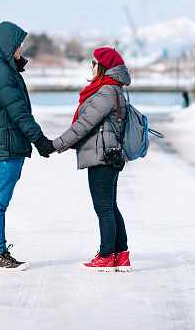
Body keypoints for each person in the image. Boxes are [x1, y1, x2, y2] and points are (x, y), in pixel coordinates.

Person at [0, 21, 55, 271]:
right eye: (19, 44)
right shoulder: (1, 73)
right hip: (4, 150)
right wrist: (41, 141)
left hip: (8, 147)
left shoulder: (5, 70)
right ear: (8, 45)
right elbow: (19, 113)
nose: (21, 48)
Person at [52, 47, 132, 272]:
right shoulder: (111, 90)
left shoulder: (106, 92)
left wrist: (55, 145)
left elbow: (84, 125)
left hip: (102, 156)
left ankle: (106, 256)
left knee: (104, 208)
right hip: (107, 154)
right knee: (110, 207)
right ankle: (121, 255)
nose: (91, 66)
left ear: (104, 67)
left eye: (94, 62)